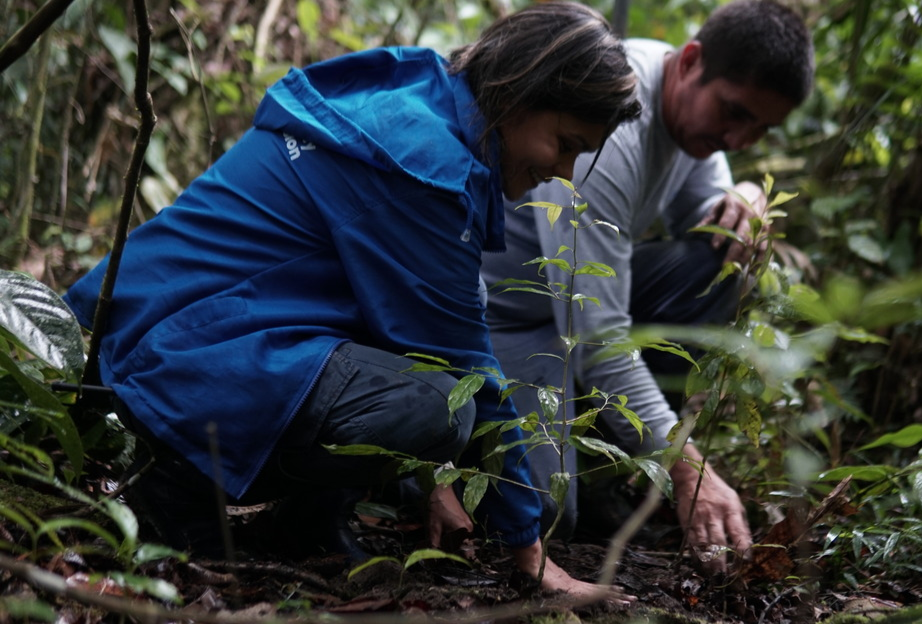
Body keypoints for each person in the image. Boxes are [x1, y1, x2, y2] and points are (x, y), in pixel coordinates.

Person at [62, 1, 641, 600]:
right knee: (443, 406)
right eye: (565, 143)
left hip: (177, 333)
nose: (565, 172)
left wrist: (439, 481)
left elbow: (400, 315)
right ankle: (180, 485)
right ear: (521, 96)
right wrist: (531, 552)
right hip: (176, 352)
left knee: (421, 384)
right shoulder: (422, 167)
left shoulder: (413, 93)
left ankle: (304, 523)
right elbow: (469, 369)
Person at [480, 0, 814, 574]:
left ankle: (615, 469)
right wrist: (691, 470)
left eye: (760, 128)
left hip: (570, 320)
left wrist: (747, 202)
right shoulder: (610, 128)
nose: (739, 138)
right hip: (506, 319)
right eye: (733, 112)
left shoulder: (695, 129)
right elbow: (596, 338)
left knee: (718, 260)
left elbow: (708, 222)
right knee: (541, 510)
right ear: (689, 62)